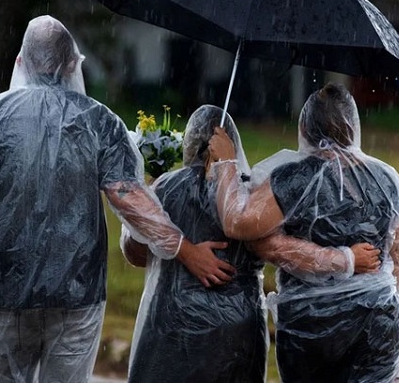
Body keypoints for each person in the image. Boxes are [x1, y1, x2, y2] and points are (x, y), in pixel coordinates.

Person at [0, 15, 234, 383]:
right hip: (77, 294)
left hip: (5, 291)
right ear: (70, 64)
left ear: (22, 61)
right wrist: (187, 251)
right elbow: (127, 197)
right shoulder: (99, 121)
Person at [120, 105, 383, 383]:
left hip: (168, 329)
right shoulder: (251, 196)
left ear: (189, 141)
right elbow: (274, 247)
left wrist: (154, 209)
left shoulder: (165, 188)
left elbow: (135, 254)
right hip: (237, 334)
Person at [208, 82, 399, 382]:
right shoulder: (387, 178)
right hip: (378, 325)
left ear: (304, 127)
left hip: (311, 329)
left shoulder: (294, 178)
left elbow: (239, 223)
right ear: (354, 126)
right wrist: (372, 294)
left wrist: (227, 162)